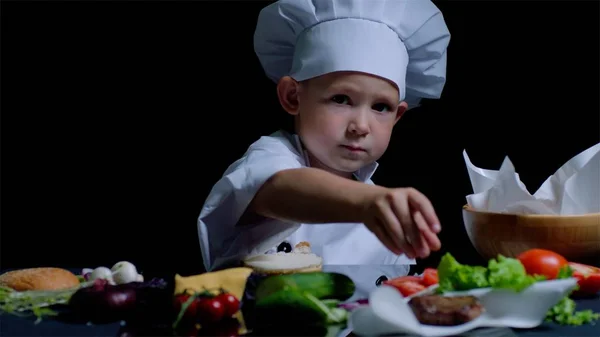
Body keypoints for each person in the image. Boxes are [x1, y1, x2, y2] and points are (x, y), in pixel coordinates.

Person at [198, 0, 451, 294]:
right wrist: (367, 204)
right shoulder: (271, 158)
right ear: (292, 96)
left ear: (398, 116)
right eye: (341, 99)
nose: (361, 125)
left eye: (381, 107)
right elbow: (282, 187)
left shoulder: (385, 208)